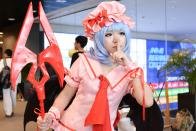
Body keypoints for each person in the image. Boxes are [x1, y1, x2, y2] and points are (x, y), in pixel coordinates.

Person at [37, 1, 153, 131]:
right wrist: (51, 115)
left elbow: (146, 102)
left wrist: (130, 65)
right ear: (99, 38)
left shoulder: (130, 71)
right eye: (108, 34)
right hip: (71, 126)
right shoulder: (84, 62)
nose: (116, 39)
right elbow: (65, 96)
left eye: (122, 33)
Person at [0, 49, 21, 117]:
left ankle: (8, 112)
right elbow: (18, 71)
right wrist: (18, 81)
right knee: (13, 96)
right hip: (14, 81)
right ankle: (12, 110)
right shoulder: (15, 61)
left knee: (6, 96)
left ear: (6, 54)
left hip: (5, 82)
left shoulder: (2, 61)